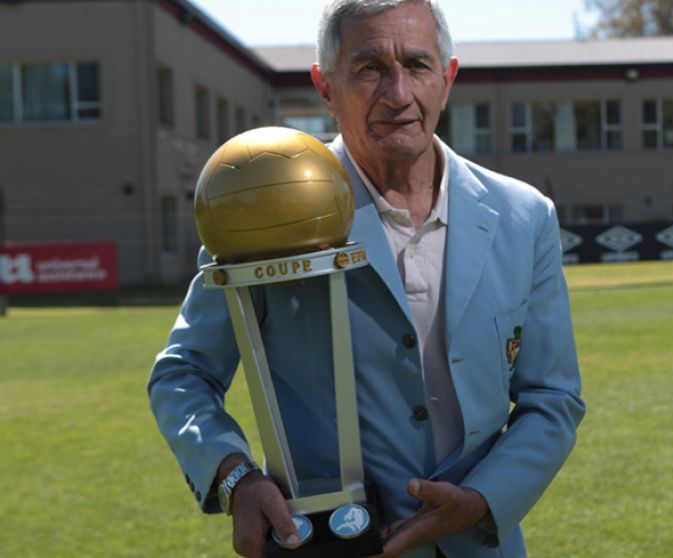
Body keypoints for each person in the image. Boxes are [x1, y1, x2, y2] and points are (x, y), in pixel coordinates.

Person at [147, 1, 585, 557]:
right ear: (325, 87)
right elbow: (182, 376)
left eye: (418, 66)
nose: (398, 93)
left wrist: (482, 499)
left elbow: (552, 397)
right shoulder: (262, 209)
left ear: (447, 79)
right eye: (370, 67)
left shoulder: (525, 216)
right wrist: (235, 477)